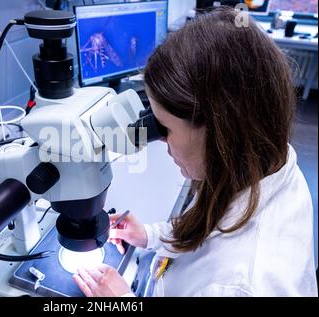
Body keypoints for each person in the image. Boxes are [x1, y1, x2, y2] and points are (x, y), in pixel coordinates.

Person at [72, 7, 318, 297]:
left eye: (164, 128)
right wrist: (152, 235)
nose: (161, 143)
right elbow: (214, 225)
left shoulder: (240, 285)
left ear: (220, 133)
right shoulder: (263, 161)